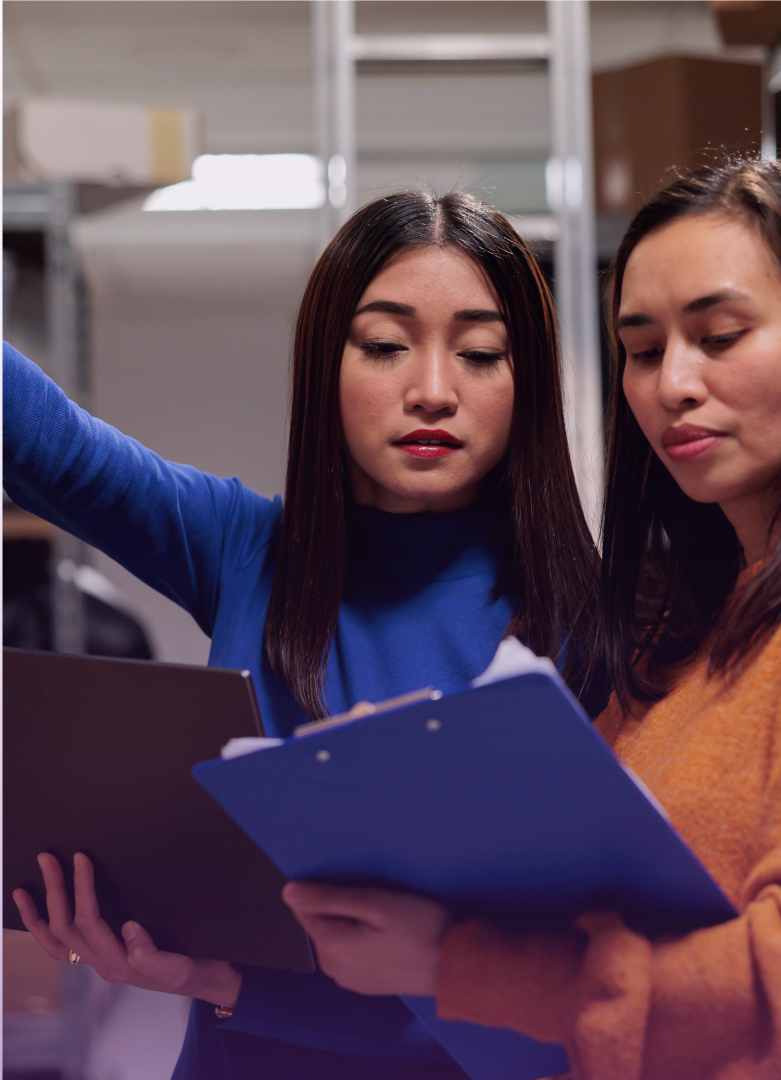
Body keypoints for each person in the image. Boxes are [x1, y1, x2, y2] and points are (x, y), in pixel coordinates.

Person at [282, 158, 781, 1080]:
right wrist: (399, 790)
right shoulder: (693, 631)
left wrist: (454, 963)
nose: (673, 383)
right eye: (641, 348)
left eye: (720, 335)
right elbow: (559, 878)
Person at [5, 190, 603, 1080]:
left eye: (480, 353)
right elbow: (54, 448)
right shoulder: (247, 550)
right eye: (386, 345)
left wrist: (230, 983)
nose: (432, 390)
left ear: (529, 382)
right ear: (329, 362)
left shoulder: (594, 626)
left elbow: (562, 1011)